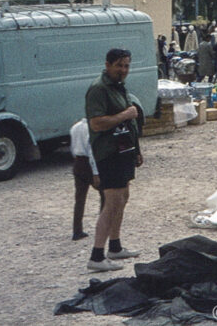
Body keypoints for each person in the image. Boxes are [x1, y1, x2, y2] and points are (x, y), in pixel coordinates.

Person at [85, 48, 143, 272]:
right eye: (119, 65)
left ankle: (115, 246)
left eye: (127, 66)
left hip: (124, 151)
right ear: (108, 64)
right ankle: (96, 256)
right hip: (108, 153)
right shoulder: (99, 89)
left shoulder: (118, 87)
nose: (123, 70)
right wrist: (125, 115)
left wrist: (136, 150)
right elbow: (97, 124)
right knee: (112, 202)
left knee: (123, 196)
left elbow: (130, 123)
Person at [70, 118, 104, 241]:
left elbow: (73, 147)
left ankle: (77, 230)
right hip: (88, 164)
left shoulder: (75, 127)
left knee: (79, 199)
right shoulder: (90, 129)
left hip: (78, 162)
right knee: (104, 194)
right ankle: (103, 226)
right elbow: (92, 152)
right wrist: (95, 173)